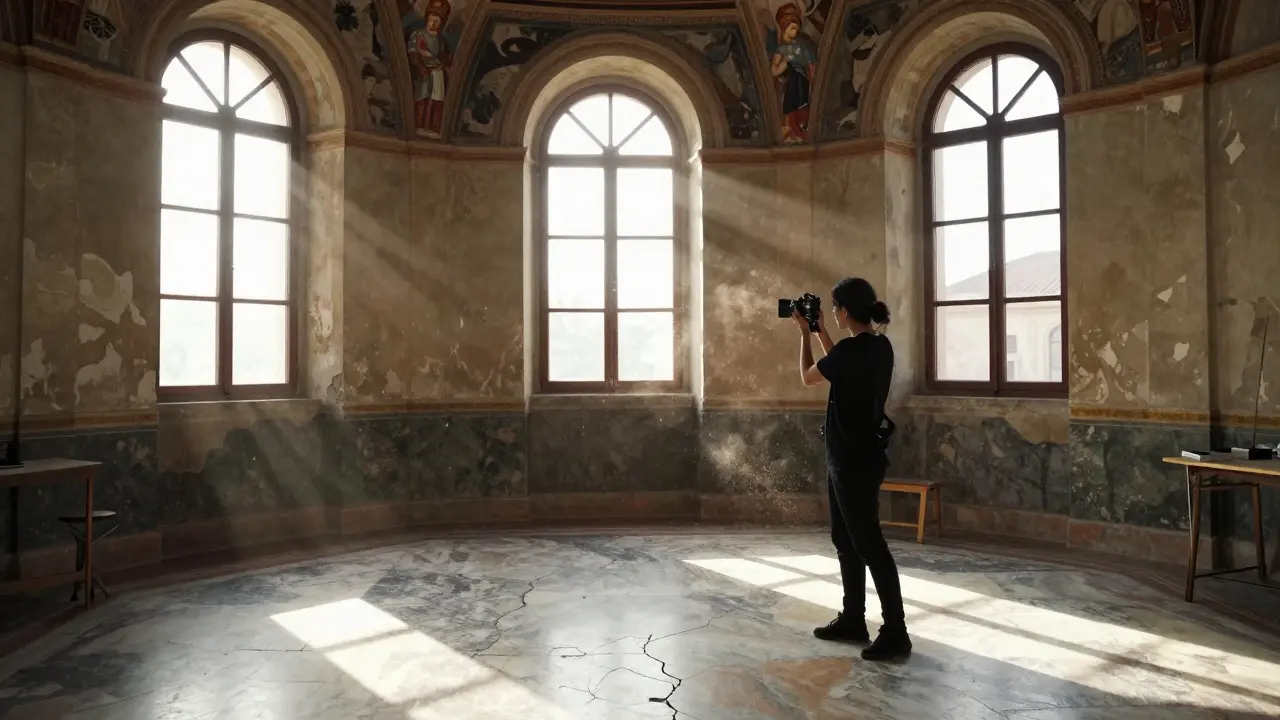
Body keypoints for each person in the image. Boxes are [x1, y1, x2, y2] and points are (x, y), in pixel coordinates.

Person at [792, 277, 911, 661]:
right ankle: (854, 618)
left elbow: (809, 376)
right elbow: (841, 364)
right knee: (847, 541)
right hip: (859, 457)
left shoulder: (849, 351)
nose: (834, 313)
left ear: (844, 309)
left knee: (868, 544)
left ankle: (896, 630)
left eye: (834, 308)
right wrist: (822, 330)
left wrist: (803, 335)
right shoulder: (879, 346)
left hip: (850, 461)